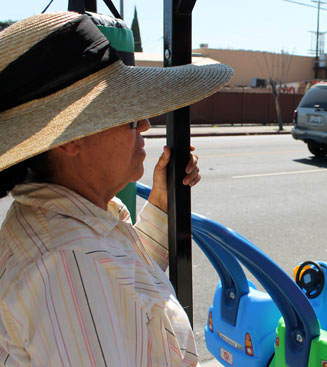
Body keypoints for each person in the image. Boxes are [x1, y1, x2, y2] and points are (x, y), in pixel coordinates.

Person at [0, 11, 233, 366]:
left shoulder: (70, 227)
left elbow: (125, 291)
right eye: (127, 117)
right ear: (69, 140)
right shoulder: (69, 266)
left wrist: (160, 204)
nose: (145, 125)